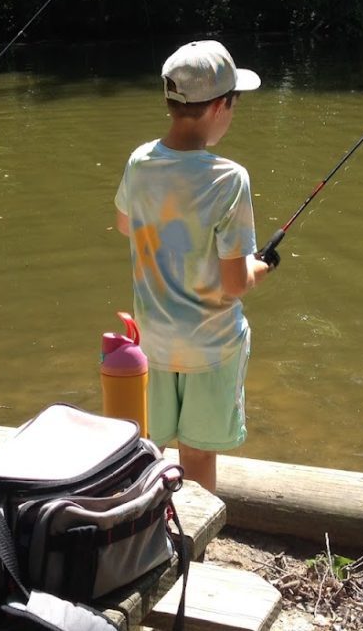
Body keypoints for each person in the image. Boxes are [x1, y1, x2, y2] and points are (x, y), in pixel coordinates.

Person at [114, 39, 277, 493]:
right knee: (199, 451)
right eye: (235, 103)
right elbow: (235, 282)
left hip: (153, 342)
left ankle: (145, 528)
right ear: (220, 107)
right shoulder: (229, 178)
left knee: (149, 449)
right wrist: (262, 266)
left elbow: (126, 225)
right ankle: (197, 546)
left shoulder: (140, 161)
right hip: (211, 347)